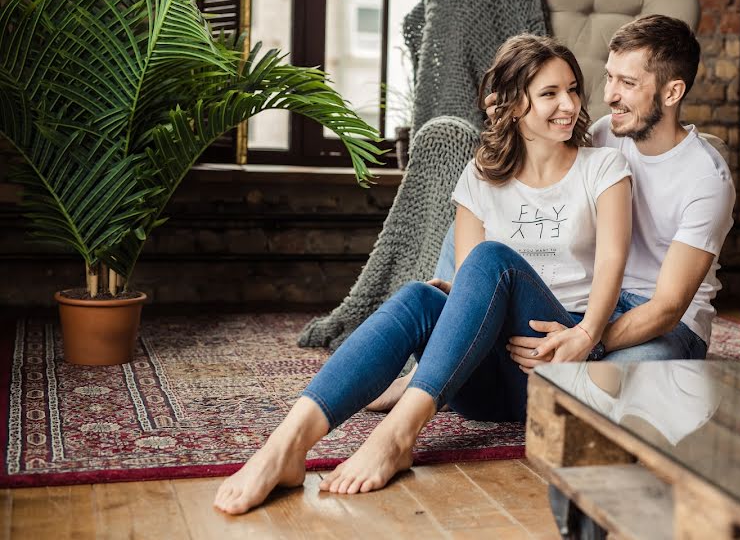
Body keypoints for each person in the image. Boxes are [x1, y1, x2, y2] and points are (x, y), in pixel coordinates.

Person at [214, 34, 633, 514]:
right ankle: (286, 445)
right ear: (515, 105)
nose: (570, 105)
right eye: (550, 93)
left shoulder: (603, 166)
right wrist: (450, 296)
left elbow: (611, 266)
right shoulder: (479, 176)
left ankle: (397, 436)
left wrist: (585, 335)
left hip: (557, 364)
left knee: (492, 258)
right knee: (420, 296)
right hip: (481, 382)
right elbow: (476, 285)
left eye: (574, 89)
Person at [506, 14, 735, 368]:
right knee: (482, 191)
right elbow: (537, 187)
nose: (610, 95)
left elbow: (668, 307)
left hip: (666, 324)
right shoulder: (604, 135)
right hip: (595, 299)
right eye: (609, 77)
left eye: (627, 83)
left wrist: (586, 340)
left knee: (604, 389)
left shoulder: (706, 179)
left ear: (672, 92)